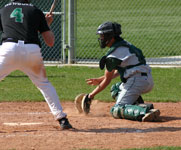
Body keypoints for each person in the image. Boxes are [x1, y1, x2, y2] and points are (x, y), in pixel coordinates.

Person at [0, 0, 72, 129]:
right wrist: (45, 25)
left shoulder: (4, 9)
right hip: (31, 51)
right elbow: (50, 42)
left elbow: (14, 27)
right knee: (44, 84)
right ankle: (62, 119)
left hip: (8, 49)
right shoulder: (35, 10)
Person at [86, 21, 160, 122]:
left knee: (117, 109)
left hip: (136, 81)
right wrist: (99, 80)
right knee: (116, 89)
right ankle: (140, 106)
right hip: (144, 79)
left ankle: (144, 111)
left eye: (103, 36)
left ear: (110, 37)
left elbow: (107, 80)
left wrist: (91, 95)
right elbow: (123, 70)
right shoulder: (124, 45)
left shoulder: (113, 55)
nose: (101, 38)